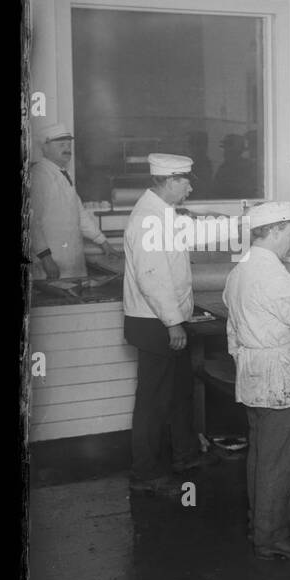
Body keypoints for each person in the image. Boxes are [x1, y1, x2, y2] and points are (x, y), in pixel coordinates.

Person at [223, 201, 290, 562]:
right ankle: (271, 536)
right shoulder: (272, 274)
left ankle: (260, 524)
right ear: (276, 230)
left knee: (261, 455)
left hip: (251, 372)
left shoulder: (241, 269)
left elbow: (232, 326)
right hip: (278, 376)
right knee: (278, 460)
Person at [122, 154, 201, 498]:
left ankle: (185, 455)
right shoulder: (148, 219)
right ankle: (146, 472)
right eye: (185, 181)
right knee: (153, 400)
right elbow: (152, 278)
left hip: (167, 319)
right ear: (169, 182)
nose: (190, 187)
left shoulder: (164, 213)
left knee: (179, 391)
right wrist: (173, 324)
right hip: (155, 322)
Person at [29, 122, 114, 280]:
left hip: (71, 263)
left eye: (68, 145)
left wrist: (103, 242)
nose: (67, 149)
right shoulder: (39, 175)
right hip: (51, 264)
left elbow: (79, 214)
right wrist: (46, 258)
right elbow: (32, 222)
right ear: (45, 147)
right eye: (61, 145)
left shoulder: (63, 174)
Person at [213, 133, 255, 199]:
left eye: (229, 148)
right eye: (225, 148)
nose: (225, 151)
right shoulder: (223, 167)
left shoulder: (246, 167)